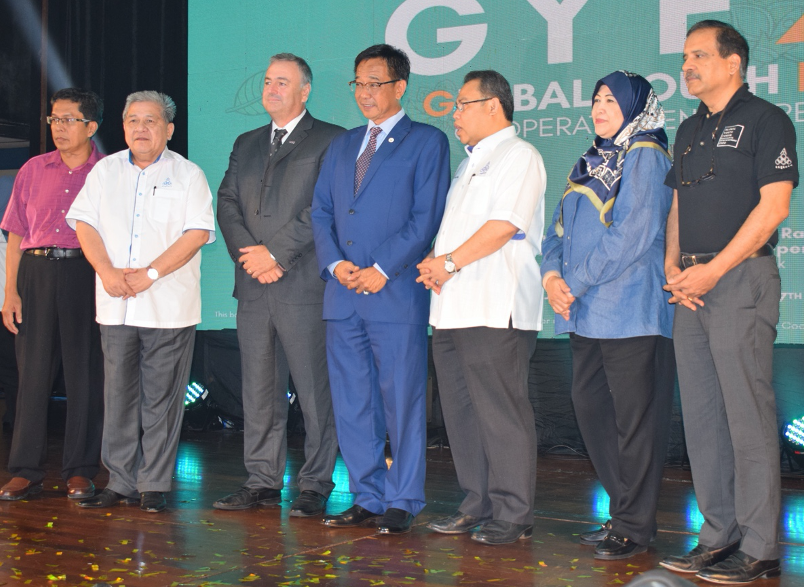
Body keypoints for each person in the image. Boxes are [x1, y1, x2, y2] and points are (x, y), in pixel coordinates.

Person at [659, 21, 797, 584]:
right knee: (703, 420)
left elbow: (774, 207)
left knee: (747, 416)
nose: (687, 65)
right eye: (685, 56)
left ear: (733, 62)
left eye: (699, 55)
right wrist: (673, 266)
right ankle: (718, 537)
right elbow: (677, 208)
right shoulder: (689, 129)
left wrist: (715, 269)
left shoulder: (767, 119)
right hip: (690, 290)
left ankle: (761, 547)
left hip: (740, 280)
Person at [311, 44, 450, 535]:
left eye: (375, 83)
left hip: (394, 295)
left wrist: (383, 269)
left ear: (399, 87)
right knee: (352, 403)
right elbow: (322, 212)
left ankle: (404, 499)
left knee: (402, 401)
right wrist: (334, 264)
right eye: (358, 84)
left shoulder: (426, 141)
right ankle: (368, 496)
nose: (365, 93)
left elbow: (424, 219)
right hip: (343, 293)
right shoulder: (342, 145)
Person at [540, 71, 675, 559]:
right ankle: (624, 513)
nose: (599, 107)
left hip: (631, 310)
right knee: (592, 410)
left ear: (636, 106)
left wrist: (571, 282)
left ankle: (636, 526)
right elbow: (556, 232)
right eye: (595, 98)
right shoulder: (589, 162)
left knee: (635, 421)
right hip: (585, 310)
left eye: (611, 100)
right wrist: (551, 277)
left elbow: (634, 233)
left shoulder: (646, 154)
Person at [67, 91, 216, 513]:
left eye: (150, 121)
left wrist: (149, 274)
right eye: (133, 120)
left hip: (168, 304)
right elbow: (84, 225)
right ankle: (119, 481)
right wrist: (108, 272)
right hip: (115, 302)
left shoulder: (189, 175)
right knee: (117, 395)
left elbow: (195, 234)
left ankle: (154, 483)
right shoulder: (104, 171)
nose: (140, 128)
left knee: (162, 398)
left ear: (168, 129)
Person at [417, 70, 546, 545]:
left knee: (501, 411)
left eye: (463, 104)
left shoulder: (519, 156)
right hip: (452, 308)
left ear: (494, 105)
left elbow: (503, 226)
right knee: (461, 413)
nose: (455, 113)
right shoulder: (469, 163)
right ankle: (477, 502)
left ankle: (514, 512)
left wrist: (447, 262)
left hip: (496, 306)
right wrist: (437, 264)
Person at [215, 53, 344, 515]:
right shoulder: (246, 141)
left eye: (282, 82)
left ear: (305, 91)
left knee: (313, 390)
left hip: (303, 284)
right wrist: (251, 255)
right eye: (267, 81)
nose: (271, 89)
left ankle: (315, 483)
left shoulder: (331, 140)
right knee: (258, 390)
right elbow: (227, 200)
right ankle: (262, 480)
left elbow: (324, 207)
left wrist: (276, 253)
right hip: (253, 285)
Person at [0, 88, 105, 502]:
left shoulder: (109, 171)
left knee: (85, 375)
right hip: (37, 271)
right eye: (54, 120)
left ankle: (80, 470)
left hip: (86, 271)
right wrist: (11, 290)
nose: (59, 127)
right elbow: (15, 233)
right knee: (32, 375)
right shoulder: (32, 168)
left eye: (69, 120)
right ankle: (24, 469)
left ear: (91, 126)